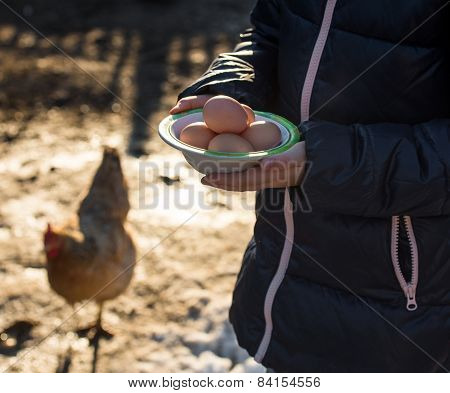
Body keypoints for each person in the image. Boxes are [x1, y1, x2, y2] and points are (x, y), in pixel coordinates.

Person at [170, 0, 450, 372]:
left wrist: (323, 163)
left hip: (406, 313)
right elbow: (269, 31)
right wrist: (233, 88)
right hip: (285, 276)